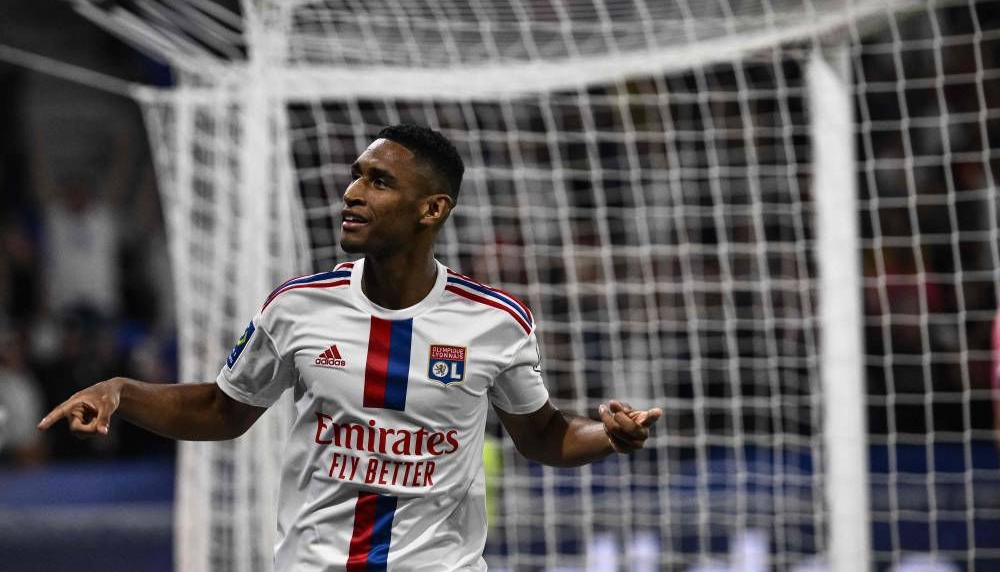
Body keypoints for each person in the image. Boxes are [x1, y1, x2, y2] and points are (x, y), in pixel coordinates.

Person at [38, 124, 662, 571]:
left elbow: (542, 434)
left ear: (431, 208)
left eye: (379, 181)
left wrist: (608, 435)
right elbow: (222, 411)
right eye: (357, 176)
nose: (352, 193)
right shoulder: (296, 306)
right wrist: (121, 391)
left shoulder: (495, 320)